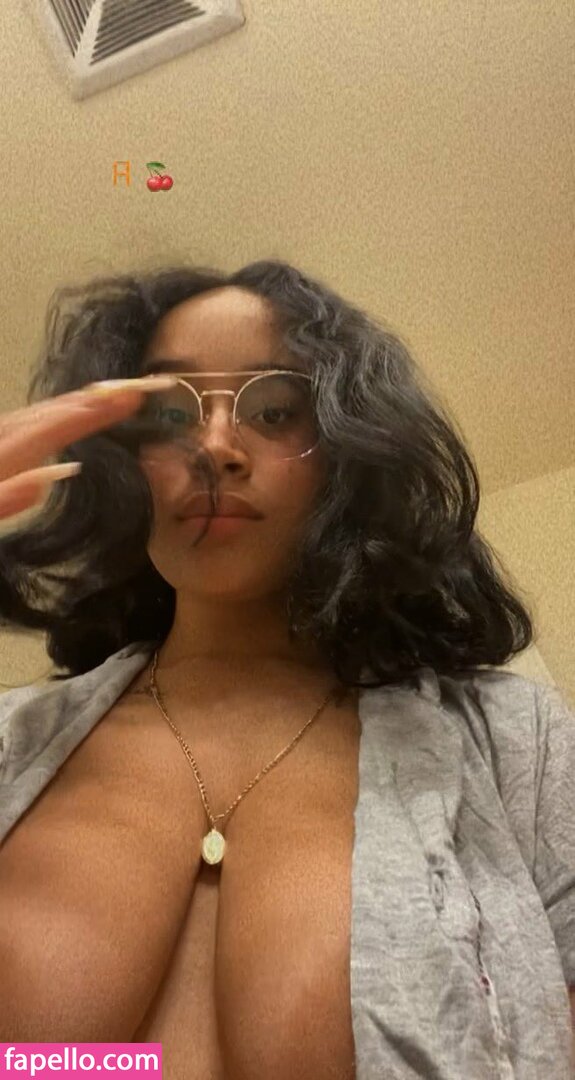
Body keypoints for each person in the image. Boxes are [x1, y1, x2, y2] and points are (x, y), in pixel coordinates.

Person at [0, 259, 573, 1078]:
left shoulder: (519, 741)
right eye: (168, 414)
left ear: (345, 452)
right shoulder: (11, 742)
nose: (214, 446)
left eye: (275, 411)